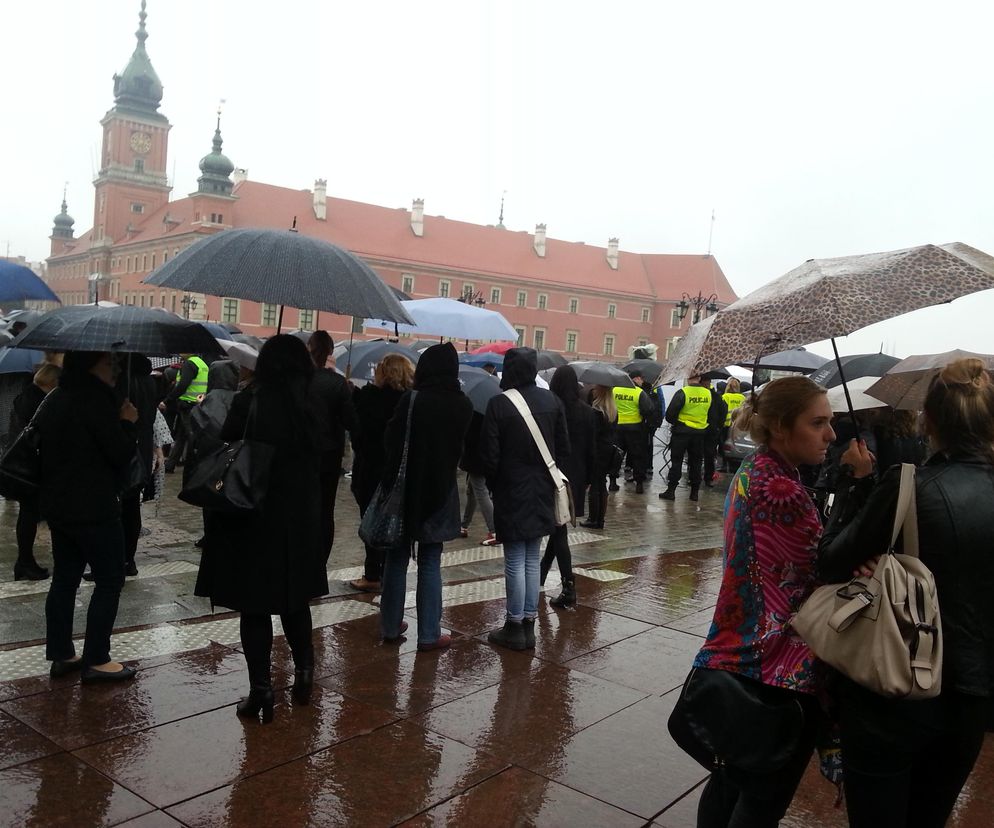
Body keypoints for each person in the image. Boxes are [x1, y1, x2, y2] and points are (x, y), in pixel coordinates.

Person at [818, 358, 994, 828]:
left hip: (894, 687)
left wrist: (856, 484)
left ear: (928, 419)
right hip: (973, 698)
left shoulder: (908, 485)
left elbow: (830, 560)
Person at [691, 376, 834, 825]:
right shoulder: (783, 491)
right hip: (780, 665)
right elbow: (832, 564)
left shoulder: (755, 470)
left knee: (730, 777)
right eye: (818, 423)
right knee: (762, 798)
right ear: (779, 427)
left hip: (740, 648)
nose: (831, 435)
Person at [195, 335, 327, 722]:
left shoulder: (250, 398)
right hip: (299, 517)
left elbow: (227, 441)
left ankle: (261, 691)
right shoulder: (310, 402)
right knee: (295, 600)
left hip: (254, 514)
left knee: (254, 607)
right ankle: (304, 675)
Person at [37, 351, 139, 683]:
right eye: (110, 363)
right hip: (95, 507)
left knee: (64, 580)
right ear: (91, 366)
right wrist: (127, 423)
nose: (116, 368)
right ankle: (97, 659)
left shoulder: (57, 397)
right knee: (110, 580)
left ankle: (62, 653)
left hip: (60, 506)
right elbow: (120, 454)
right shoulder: (96, 403)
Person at [378, 343, 472, 650]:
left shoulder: (412, 400)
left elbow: (390, 441)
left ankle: (390, 626)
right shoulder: (462, 405)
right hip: (441, 491)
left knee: (396, 558)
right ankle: (430, 633)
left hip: (406, 490)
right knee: (430, 561)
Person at [482, 347, 570, 650]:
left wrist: (496, 485)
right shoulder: (553, 400)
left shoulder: (498, 404)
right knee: (532, 557)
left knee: (514, 560)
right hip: (543, 489)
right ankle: (530, 622)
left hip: (510, 489)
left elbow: (489, 458)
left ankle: (514, 624)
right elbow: (563, 449)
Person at [348, 353, 415, 592]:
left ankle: (373, 572)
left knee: (371, 519)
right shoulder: (410, 401)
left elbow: (358, 436)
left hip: (370, 470)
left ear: (385, 373)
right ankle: (389, 572)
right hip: (399, 471)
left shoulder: (370, 397)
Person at [540, 365, 596, 608]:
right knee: (559, 527)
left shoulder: (552, 408)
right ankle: (541, 575)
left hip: (556, 475)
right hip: (578, 476)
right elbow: (592, 450)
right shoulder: (587, 411)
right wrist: (591, 479)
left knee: (559, 530)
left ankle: (569, 586)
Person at [307, 331, 358, 564]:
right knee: (325, 510)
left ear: (309, 347)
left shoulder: (298, 379)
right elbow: (351, 422)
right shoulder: (337, 383)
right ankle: (319, 562)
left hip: (301, 452)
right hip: (329, 454)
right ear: (329, 352)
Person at [10, 362, 61, 580]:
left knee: (28, 514)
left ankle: (25, 561)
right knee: (30, 514)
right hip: (34, 466)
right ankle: (24, 562)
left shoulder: (25, 396)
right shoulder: (40, 401)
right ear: (51, 382)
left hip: (26, 466)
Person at [660, 374, 723, 501]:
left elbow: (670, 415)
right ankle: (694, 493)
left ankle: (671, 491)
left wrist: (677, 423)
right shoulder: (707, 394)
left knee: (676, 461)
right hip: (699, 433)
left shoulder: (683, 392)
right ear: (699, 379)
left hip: (682, 433)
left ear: (688, 379)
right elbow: (712, 415)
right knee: (696, 462)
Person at [163, 352, 209, 472]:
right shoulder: (202, 363)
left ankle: (195, 466)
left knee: (190, 436)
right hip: (197, 403)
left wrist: (168, 400)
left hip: (188, 404)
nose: (179, 353)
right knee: (181, 435)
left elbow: (183, 384)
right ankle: (170, 464)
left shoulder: (190, 364)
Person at [580, 384, 617, 530]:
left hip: (597, 450)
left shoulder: (595, 412)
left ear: (601, 391)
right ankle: (600, 519)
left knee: (595, 484)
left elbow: (591, 434)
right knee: (602, 483)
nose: (593, 390)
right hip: (608, 450)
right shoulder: (613, 411)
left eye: (596, 388)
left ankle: (593, 518)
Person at [459, 412, 498, 546]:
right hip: (483, 456)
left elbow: (468, 435)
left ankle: (495, 530)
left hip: (476, 458)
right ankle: (464, 525)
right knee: (472, 491)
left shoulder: (475, 412)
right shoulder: (490, 408)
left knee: (481, 493)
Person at [612, 370, 653, 493]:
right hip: (635, 428)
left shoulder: (615, 390)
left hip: (618, 427)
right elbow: (649, 409)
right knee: (637, 456)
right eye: (641, 379)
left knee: (617, 455)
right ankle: (639, 484)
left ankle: (612, 482)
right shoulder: (639, 392)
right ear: (636, 379)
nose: (642, 381)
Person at [720, 378, 746, 471]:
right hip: (737, 425)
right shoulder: (742, 397)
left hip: (726, 425)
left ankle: (724, 465)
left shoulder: (725, 396)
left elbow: (722, 411)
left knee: (724, 445)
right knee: (734, 444)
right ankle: (734, 466)